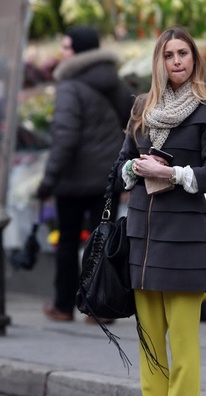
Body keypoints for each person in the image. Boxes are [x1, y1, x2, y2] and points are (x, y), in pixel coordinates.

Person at [115, 26, 206, 396]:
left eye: (184, 54)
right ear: (158, 62)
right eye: (169, 55)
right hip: (142, 237)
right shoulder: (142, 108)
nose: (176, 61)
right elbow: (120, 165)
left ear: (194, 59)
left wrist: (174, 173)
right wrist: (134, 167)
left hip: (184, 238)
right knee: (149, 344)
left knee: (183, 344)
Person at [36, 26, 133, 322]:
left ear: (77, 51)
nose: (61, 52)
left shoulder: (69, 85)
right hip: (107, 178)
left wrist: (49, 179)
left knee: (67, 240)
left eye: (66, 47)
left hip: (74, 180)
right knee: (103, 239)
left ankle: (64, 306)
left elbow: (65, 136)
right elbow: (132, 121)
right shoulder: (114, 81)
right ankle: (101, 307)